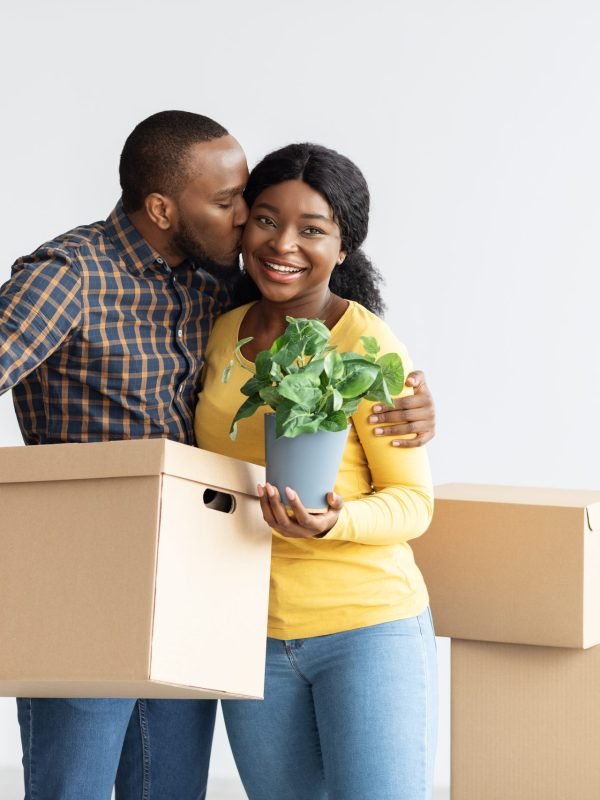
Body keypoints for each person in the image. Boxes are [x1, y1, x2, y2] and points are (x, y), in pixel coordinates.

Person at [0, 112, 435, 799]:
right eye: (239, 207)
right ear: (163, 208)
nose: (249, 229)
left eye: (246, 204)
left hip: (214, 598)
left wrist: (406, 408)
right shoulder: (88, 280)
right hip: (97, 583)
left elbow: (403, 478)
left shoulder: (225, 299)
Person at [195, 143, 437, 800]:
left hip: (367, 628)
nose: (284, 244)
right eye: (268, 219)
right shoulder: (220, 332)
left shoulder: (367, 347)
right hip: (249, 634)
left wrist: (335, 522)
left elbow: (414, 501)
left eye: (312, 229)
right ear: (243, 224)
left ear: (344, 247)